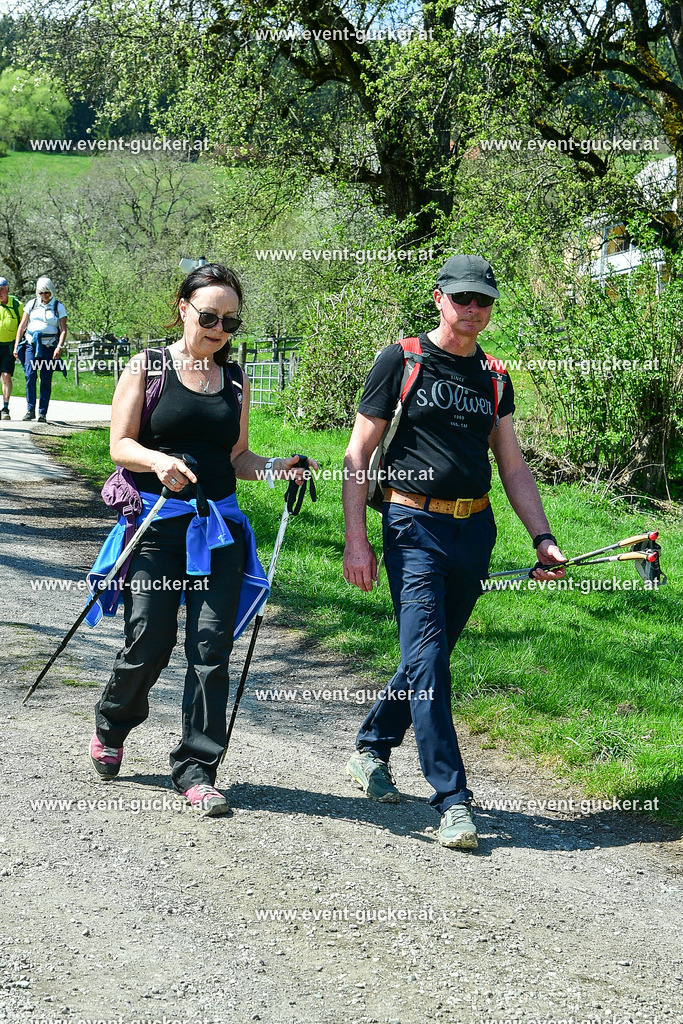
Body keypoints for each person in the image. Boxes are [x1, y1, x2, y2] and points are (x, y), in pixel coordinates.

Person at [342, 254, 566, 850]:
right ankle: (452, 799)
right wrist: (357, 540)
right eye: (462, 298)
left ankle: (372, 746)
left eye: (483, 300)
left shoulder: (494, 376)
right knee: (429, 658)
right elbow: (357, 454)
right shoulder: (403, 358)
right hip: (412, 524)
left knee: (430, 654)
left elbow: (512, 465)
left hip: (474, 530)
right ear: (439, 298)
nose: (473, 309)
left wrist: (542, 537)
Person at [87, 262, 317, 816]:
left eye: (230, 322)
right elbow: (120, 445)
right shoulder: (147, 366)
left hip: (219, 532)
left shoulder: (234, 381)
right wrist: (157, 460)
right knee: (149, 641)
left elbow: (237, 457)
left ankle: (196, 768)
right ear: (183, 307)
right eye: (209, 316)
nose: (218, 329)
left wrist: (279, 468)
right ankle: (113, 723)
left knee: (212, 649)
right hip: (157, 527)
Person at [14, 276, 67, 422]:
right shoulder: (32, 304)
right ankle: (30, 409)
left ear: (51, 291)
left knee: (45, 378)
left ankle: (42, 412)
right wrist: (16, 345)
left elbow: (63, 329)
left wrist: (59, 347)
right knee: (30, 375)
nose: (44, 296)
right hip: (31, 344)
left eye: (46, 292)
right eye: (41, 293)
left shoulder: (58, 307)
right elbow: (22, 326)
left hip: (49, 346)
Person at [0, 276, 23, 420]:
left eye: (2, 289)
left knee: (6, 376)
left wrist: (19, 344)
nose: (0, 292)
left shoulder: (17, 305)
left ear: (8, 289)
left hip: (9, 346)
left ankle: (5, 408)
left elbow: (23, 324)